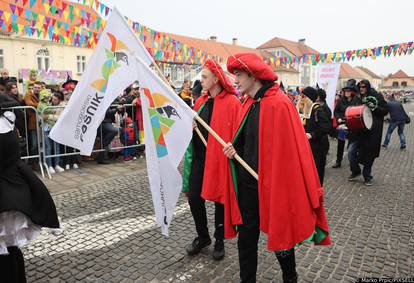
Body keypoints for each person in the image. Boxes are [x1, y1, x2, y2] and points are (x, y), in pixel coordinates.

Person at [223, 53, 331, 283]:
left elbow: (289, 153)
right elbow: (244, 142)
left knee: (281, 236)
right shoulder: (248, 104)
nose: (235, 81)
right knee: (247, 239)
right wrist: (234, 150)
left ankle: (289, 276)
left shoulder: (280, 104)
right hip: (248, 185)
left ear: (253, 75)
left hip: (274, 185)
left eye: (239, 75)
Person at [182, 59, 241, 261]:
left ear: (216, 79)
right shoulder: (201, 102)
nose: (202, 80)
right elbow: (193, 128)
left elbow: (238, 134)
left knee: (220, 200)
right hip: (200, 158)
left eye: (205, 77)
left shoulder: (233, 103)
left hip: (219, 161)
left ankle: (219, 239)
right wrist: (191, 127)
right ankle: (203, 236)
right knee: (194, 197)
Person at [0, 110, 60, 282]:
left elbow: (16, 162)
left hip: (10, 190)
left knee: (10, 249)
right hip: (11, 189)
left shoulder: (8, 118)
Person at [347, 80, 388, 186]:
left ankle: (367, 176)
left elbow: (385, 110)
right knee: (351, 151)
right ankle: (356, 171)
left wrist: (374, 108)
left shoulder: (376, 96)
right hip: (358, 131)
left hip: (372, 131)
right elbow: (351, 110)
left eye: (364, 87)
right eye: (360, 87)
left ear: (368, 87)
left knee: (369, 154)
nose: (361, 89)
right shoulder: (356, 98)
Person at [301, 87, 332, 185]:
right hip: (307, 147)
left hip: (317, 148)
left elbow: (327, 127)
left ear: (309, 98)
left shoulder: (317, 110)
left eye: (303, 97)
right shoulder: (304, 109)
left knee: (316, 176)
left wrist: (312, 134)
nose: (301, 99)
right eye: (301, 96)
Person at [332, 80, 361, 168]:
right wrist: (339, 118)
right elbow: (336, 111)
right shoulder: (341, 100)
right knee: (341, 142)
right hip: (343, 125)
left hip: (353, 125)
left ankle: (352, 159)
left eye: (348, 91)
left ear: (352, 92)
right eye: (345, 91)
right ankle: (338, 161)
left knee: (352, 144)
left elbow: (359, 112)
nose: (346, 92)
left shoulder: (357, 100)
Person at [37, 91, 65, 174]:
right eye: (52, 98)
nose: (52, 100)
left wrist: (48, 116)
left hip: (56, 128)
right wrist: (51, 115)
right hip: (46, 128)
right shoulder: (44, 105)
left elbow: (59, 117)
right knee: (48, 147)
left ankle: (56, 164)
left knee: (57, 147)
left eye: (55, 99)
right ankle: (49, 165)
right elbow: (42, 117)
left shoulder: (61, 105)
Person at [23, 81, 42, 157]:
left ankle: (42, 160)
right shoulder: (28, 95)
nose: (37, 89)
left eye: (38, 87)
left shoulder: (43, 95)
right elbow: (29, 104)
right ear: (33, 88)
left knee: (42, 143)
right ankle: (34, 161)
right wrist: (42, 105)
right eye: (35, 87)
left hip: (43, 122)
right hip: (33, 123)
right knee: (34, 144)